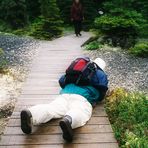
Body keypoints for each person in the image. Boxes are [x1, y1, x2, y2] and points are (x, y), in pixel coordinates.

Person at [20, 57, 108, 142]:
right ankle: (69, 121)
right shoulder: (100, 74)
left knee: (52, 108)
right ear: (102, 68)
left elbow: (62, 81)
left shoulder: (80, 68)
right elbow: (102, 94)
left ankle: (31, 113)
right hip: (82, 97)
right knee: (80, 111)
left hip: (65, 94)